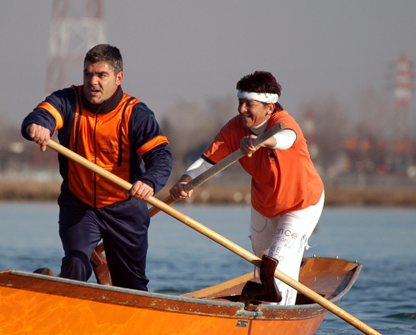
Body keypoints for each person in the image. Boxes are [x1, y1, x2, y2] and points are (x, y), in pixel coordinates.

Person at [22, 44, 172, 291]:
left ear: (118, 78)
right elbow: (42, 115)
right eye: (88, 74)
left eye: (102, 75)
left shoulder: (136, 114)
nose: (93, 82)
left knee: (131, 286)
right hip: (79, 205)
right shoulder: (67, 100)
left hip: (125, 208)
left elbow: (161, 156)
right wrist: (38, 126)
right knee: (77, 264)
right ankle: (59, 298)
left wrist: (149, 181)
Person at [170, 71, 324, 305]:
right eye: (240, 102)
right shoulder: (234, 128)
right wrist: (185, 179)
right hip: (264, 203)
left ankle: (278, 312)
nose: (242, 109)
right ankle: (264, 302)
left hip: (301, 203)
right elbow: (207, 161)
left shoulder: (282, 121)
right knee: (263, 261)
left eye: (249, 104)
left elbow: (286, 138)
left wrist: (261, 142)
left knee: (277, 266)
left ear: (269, 107)